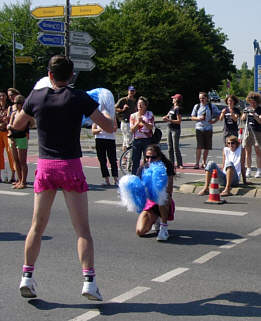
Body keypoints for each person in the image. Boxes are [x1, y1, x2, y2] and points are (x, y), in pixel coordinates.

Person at [12, 55, 114, 300]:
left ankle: (27, 277)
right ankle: (89, 281)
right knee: (82, 230)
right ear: (71, 76)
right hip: (70, 166)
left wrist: (36, 114)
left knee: (37, 226)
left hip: (45, 165)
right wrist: (110, 110)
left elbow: (16, 125)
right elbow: (109, 127)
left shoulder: (36, 97)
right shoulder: (79, 97)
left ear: (49, 74)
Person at [135, 144, 175, 241]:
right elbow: (139, 189)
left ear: (159, 157)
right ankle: (155, 219)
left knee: (162, 197)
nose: (149, 160)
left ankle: (164, 228)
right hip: (150, 203)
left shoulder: (166, 167)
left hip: (164, 200)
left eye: (153, 157)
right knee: (140, 231)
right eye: (147, 157)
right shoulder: (142, 168)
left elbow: (169, 191)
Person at [91, 90, 119, 186]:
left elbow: (115, 128)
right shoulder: (96, 114)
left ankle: (116, 179)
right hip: (99, 139)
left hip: (110, 139)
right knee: (102, 159)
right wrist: (100, 130)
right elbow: (93, 130)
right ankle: (106, 179)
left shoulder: (112, 114)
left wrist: (109, 128)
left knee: (112, 159)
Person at [7, 95, 34, 189]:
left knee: (22, 161)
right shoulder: (14, 114)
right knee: (16, 161)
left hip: (22, 138)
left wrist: (25, 128)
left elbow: (32, 123)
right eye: (15, 103)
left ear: (23, 104)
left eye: (18, 103)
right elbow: (10, 125)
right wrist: (10, 135)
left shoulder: (26, 114)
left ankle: (24, 181)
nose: (16, 105)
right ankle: (19, 180)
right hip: (13, 138)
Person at [191, 91, 220, 169]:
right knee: (199, 146)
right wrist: (198, 118)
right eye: (200, 98)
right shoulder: (197, 106)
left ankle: (203, 162)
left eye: (203, 98)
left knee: (207, 147)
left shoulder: (211, 106)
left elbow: (218, 115)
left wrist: (214, 121)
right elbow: (192, 117)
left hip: (208, 128)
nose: (201, 100)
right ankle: (197, 163)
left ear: (207, 98)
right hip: (199, 128)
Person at [130, 96, 154, 175]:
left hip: (147, 140)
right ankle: (134, 177)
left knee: (148, 160)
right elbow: (132, 130)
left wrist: (143, 122)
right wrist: (138, 122)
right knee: (135, 160)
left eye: (141, 104)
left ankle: (147, 177)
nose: (139, 106)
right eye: (138, 104)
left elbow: (151, 127)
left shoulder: (149, 114)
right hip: (137, 140)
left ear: (145, 105)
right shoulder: (133, 116)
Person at [241, 91, 261, 178]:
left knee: (258, 152)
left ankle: (259, 170)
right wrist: (245, 113)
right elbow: (242, 119)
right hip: (248, 131)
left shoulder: (260, 109)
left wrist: (254, 113)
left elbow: (260, 121)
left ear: (257, 101)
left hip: (257, 132)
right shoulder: (247, 108)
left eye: (253, 102)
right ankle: (248, 169)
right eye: (250, 101)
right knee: (247, 151)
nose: (252, 103)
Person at [115, 86, 137, 163]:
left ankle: (124, 158)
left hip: (133, 122)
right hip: (125, 122)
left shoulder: (135, 101)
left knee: (125, 140)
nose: (131, 92)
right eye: (130, 91)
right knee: (128, 140)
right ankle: (128, 158)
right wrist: (122, 109)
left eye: (133, 91)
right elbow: (115, 108)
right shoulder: (123, 100)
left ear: (135, 92)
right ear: (128, 91)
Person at [163, 93, 183, 168]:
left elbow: (179, 121)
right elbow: (167, 115)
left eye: (174, 98)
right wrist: (165, 117)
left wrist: (169, 120)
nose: (172, 99)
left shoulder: (178, 109)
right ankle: (171, 163)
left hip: (175, 129)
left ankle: (179, 163)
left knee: (176, 147)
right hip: (169, 128)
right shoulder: (172, 107)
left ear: (177, 100)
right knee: (169, 147)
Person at [0, 90, 15, 182]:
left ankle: (13, 175)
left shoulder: (9, 107)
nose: (1, 98)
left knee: (10, 153)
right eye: (0, 96)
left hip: (7, 132)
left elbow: (11, 119)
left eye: (3, 96)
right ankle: (1, 175)